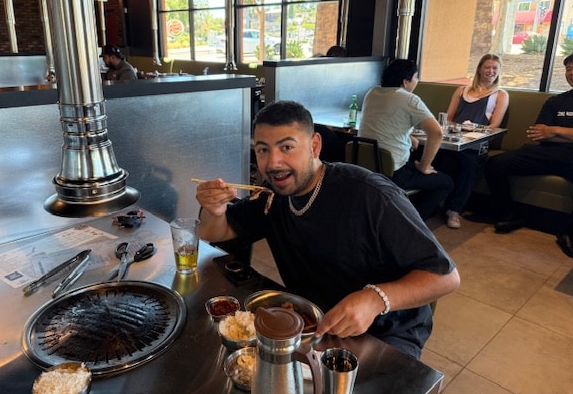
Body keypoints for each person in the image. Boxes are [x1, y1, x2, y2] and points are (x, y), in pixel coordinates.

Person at [195, 100, 460, 359]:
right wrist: (214, 211)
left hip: (386, 334)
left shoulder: (370, 195)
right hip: (314, 324)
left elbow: (446, 277)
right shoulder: (272, 196)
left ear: (314, 146)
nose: (274, 162)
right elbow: (214, 232)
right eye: (263, 150)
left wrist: (375, 299)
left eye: (287, 147)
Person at [485, 53, 573, 257]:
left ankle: (569, 232)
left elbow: (548, 132)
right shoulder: (556, 101)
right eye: (568, 69)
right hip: (545, 152)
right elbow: (539, 134)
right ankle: (510, 214)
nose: (571, 73)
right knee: (494, 164)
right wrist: (558, 135)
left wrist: (555, 130)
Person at [359, 59, 453, 220]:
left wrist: (409, 136)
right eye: (416, 77)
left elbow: (382, 123)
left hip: (366, 166)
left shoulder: (372, 93)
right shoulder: (408, 99)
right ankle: (411, 222)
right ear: (405, 81)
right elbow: (436, 133)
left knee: (416, 157)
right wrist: (424, 166)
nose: (417, 81)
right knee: (446, 182)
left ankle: (397, 212)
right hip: (393, 173)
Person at [439, 54, 509, 229]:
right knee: (435, 156)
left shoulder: (500, 95)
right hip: (454, 139)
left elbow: (494, 126)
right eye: (487, 67)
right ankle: (434, 199)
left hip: (477, 143)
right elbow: (449, 119)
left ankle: (454, 209)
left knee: (470, 163)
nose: (491, 71)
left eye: (495, 68)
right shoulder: (461, 90)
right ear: (479, 69)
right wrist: (460, 128)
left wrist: (474, 129)